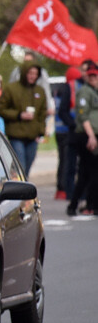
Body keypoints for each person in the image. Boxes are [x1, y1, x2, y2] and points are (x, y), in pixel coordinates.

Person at [0, 59, 47, 177]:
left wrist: (40, 132)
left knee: (28, 166)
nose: (32, 76)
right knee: (20, 166)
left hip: (33, 136)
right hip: (16, 135)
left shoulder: (40, 91)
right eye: (30, 73)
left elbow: (42, 113)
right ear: (25, 73)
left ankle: (22, 191)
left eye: (35, 74)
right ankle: (18, 193)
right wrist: (19, 115)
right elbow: (1, 109)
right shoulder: (11, 88)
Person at [69, 60, 98, 216]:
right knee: (88, 173)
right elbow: (83, 115)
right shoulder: (85, 92)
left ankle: (88, 204)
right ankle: (82, 204)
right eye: (91, 76)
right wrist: (91, 136)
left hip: (94, 135)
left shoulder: (95, 91)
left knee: (89, 173)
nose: (93, 78)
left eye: (96, 76)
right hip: (87, 136)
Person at [52, 76, 76, 200]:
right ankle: (65, 188)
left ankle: (61, 189)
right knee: (67, 161)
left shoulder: (59, 92)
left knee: (63, 160)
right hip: (68, 131)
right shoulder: (70, 90)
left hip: (59, 131)